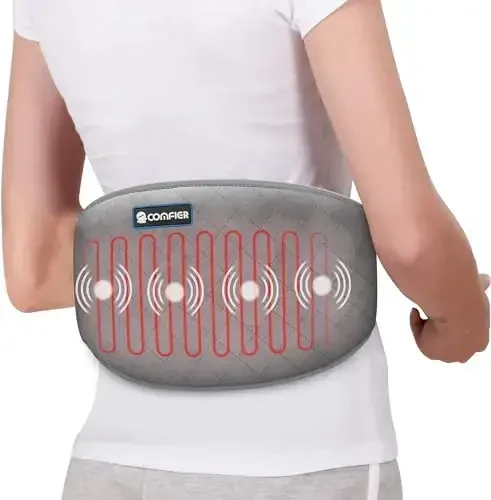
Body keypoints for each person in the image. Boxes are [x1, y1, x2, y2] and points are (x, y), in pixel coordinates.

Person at [2, 0, 489, 498]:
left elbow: (36, 265)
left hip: (113, 464)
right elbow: (411, 241)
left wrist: (173, 259)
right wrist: (461, 321)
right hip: (309, 458)